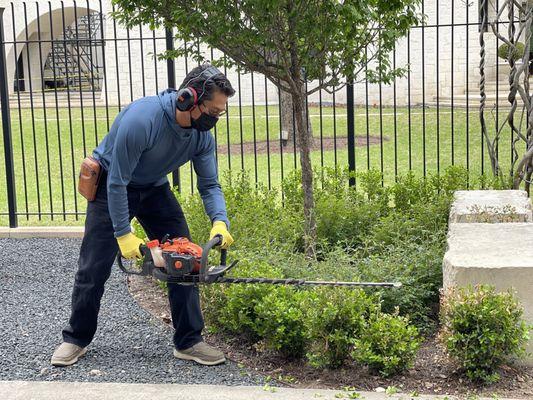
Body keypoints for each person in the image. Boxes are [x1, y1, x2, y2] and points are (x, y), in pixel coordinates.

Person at [51, 63, 235, 367]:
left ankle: (189, 341)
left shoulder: (202, 137)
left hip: (153, 187)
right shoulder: (142, 120)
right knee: (93, 268)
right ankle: (75, 338)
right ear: (188, 99)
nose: (216, 118)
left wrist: (220, 220)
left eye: (221, 112)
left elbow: (209, 184)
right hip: (112, 184)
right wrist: (123, 234)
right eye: (213, 111)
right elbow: (117, 181)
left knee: (184, 259)